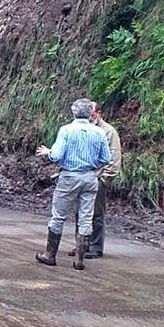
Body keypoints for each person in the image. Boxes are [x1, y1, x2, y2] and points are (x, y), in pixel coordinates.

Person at [35, 98, 112, 270]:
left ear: (73, 112)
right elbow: (106, 159)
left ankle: (50, 255)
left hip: (69, 177)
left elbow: (56, 156)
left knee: (58, 216)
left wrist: (49, 152)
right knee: (86, 218)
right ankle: (79, 260)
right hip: (90, 178)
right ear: (89, 113)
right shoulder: (99, 132)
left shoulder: (66, 130)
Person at [70, 102, 122, 259]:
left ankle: (96, 247)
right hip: (82, 176)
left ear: (98, 113)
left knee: (96, 214)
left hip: (98, 178)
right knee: (80, 212)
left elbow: (114, 157)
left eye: (92, 114)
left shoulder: (108, 132)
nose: (90, 117)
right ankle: (81, 245)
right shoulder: (82, 129)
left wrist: (105, 179)